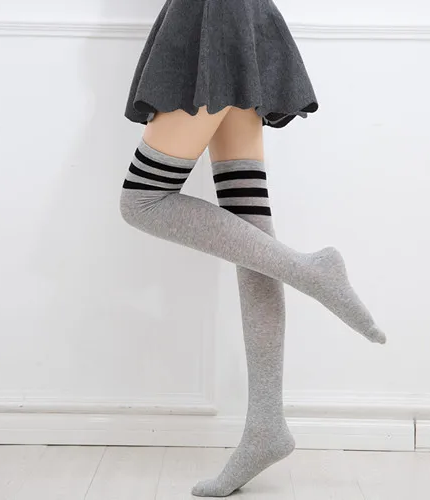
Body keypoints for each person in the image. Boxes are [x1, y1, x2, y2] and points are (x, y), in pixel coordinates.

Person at [120, 0, 387, 496]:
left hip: (212, 17)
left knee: (143, 201)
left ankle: (311, 272)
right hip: (230, 17)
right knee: (250, 228)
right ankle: (266, 424)